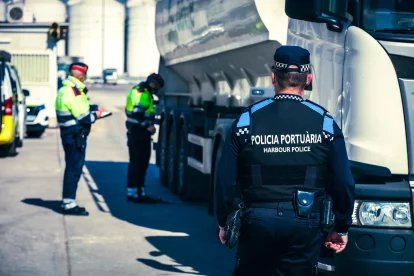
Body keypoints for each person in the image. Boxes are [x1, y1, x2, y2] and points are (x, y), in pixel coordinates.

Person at [215, 46, 355, 275]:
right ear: (308, 78)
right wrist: (341, 226)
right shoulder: (325, 122)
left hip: (257, 221)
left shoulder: (245, 120)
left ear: (273, 78)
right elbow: (343, 181)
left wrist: (224, 221)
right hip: (306, 224)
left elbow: (225, 180)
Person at [55, 62, 104, 215]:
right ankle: (69, 203)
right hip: (75, 135)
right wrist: (96, 114)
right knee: (74, 168)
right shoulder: (75, 92)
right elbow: (84, 118)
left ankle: (68, 201)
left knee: (71, 167)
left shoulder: (64, 89)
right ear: (82, 76)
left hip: (68, 133)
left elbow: (74, 110)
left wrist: (91, 108)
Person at [125, 73, 164, 203]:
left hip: (134, 131)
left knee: (134, 163)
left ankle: (132, 192)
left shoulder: (136, 90)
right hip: (140, 133)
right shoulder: (143, 94)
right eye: (157, 86)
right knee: (141, 163)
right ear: (153, 83)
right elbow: (138, 113)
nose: (156, 89)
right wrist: (148, 126)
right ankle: (139, 194)